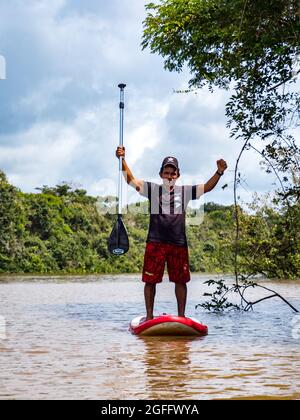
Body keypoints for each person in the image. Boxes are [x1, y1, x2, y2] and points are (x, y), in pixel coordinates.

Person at [116, 146, 228, 320]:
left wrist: (219, 172)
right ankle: (149, 316)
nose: (169, 176)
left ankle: (181, 317)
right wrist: (122, 160)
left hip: (178, 244)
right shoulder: (152, 189)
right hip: (155, 243)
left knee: (181, 281)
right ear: (161, 174)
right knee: (150, 281)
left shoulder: (185, 191)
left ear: (178, 175)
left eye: (172, 173)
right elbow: (130, 180)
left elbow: (207, 187)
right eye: (166, 173)